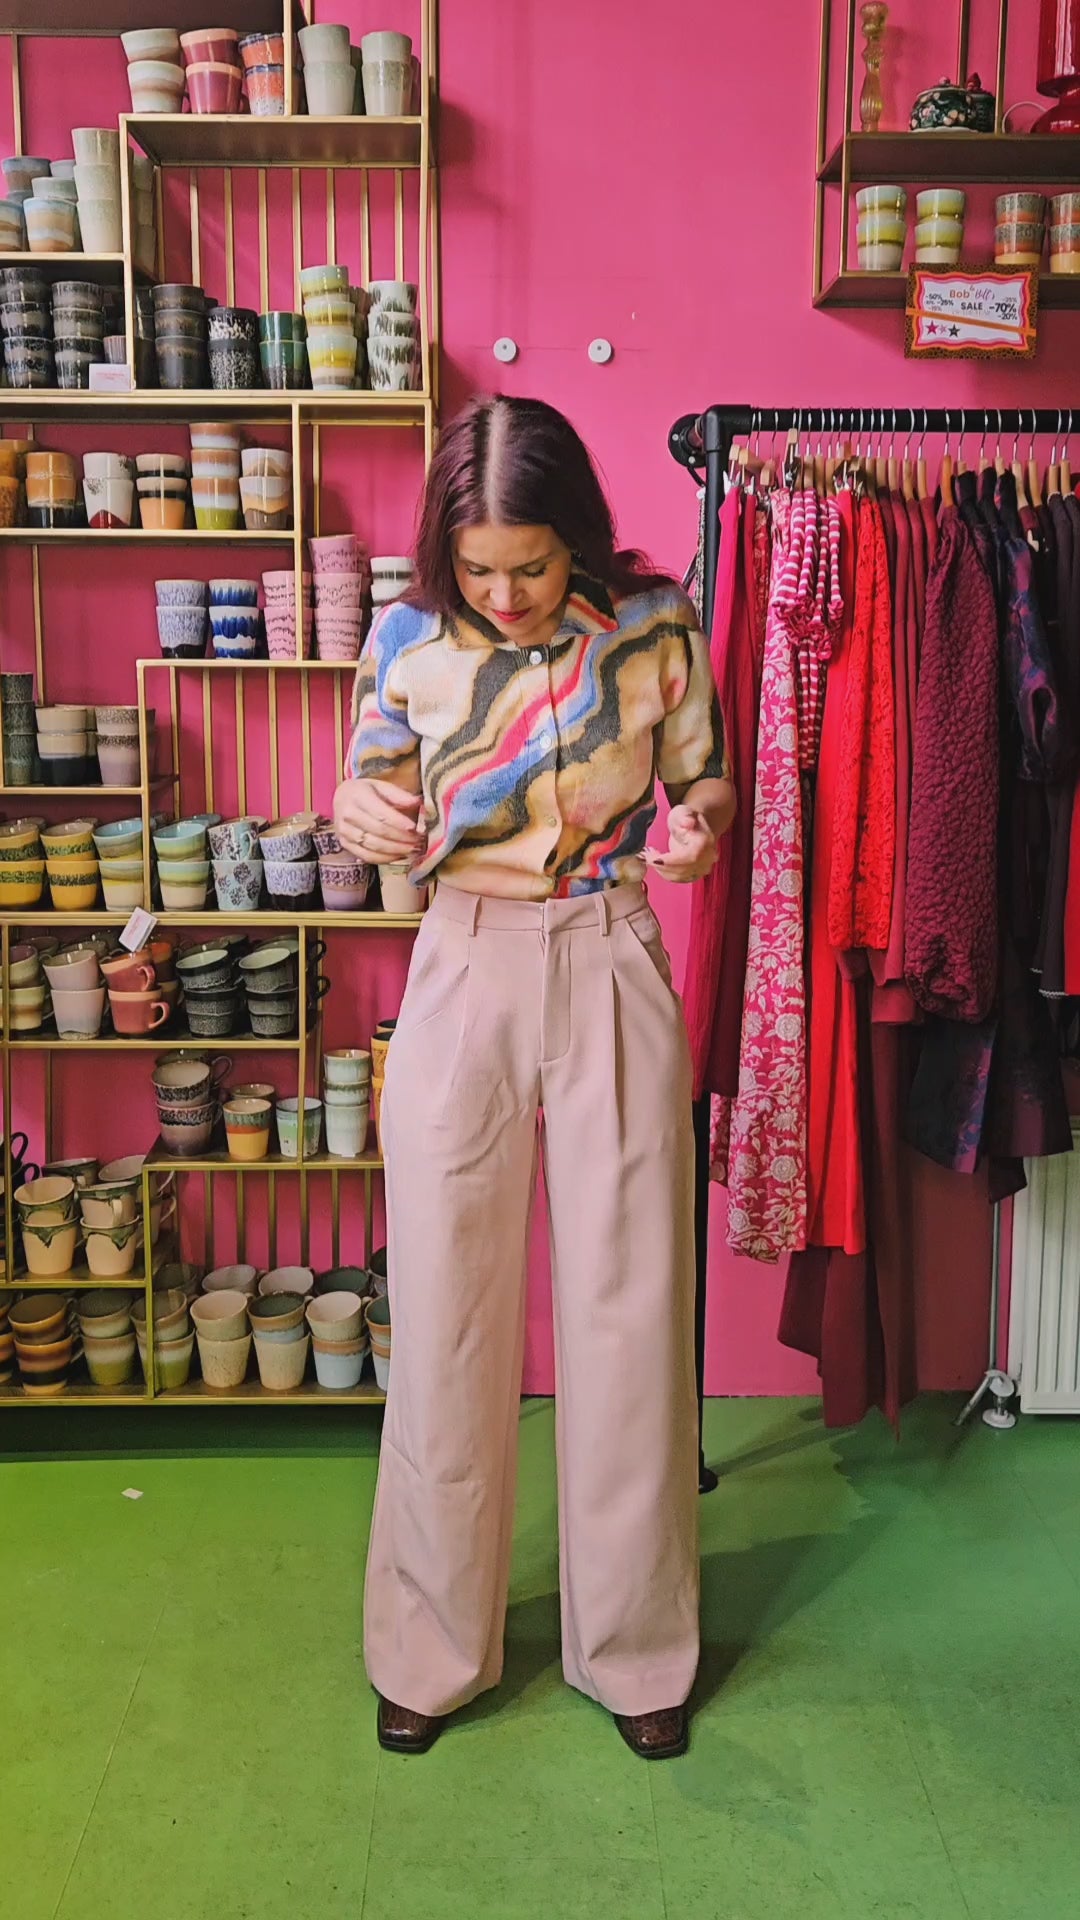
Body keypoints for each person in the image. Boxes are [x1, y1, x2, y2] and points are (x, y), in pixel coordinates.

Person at [334, 394, 734, 1761]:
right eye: (479, 570)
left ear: (579, 540)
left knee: (630, 1310)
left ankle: (636, 1651)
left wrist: (697, 830)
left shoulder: (655, 626)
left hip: (612, 956)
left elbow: (706, 784)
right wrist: (357, 808)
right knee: (445, 1313)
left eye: (533, 567)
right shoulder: (405, 637)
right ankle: (429, 1650)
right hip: (462, 963)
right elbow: (367, 792)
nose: (504, 596)